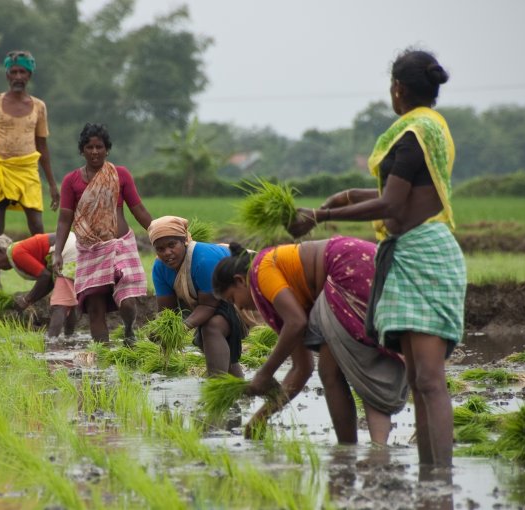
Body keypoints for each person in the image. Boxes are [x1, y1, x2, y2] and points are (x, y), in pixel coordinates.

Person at [286, 49, 465, 467]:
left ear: (397, 88)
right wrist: (347, 197)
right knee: (420, 381)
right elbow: (404, 194)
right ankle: (430, 477)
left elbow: (391, 204)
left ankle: (439, 483)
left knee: (430, 380)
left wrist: (321, 215)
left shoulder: (413, 135)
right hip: (410, 255)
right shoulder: (431, 128)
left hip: (423, 258)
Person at [212, 239, 408, 443]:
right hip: (360, 262)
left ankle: (360, 448)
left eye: (233, 299)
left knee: (348, 368)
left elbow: (296, 322)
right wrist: (261, 417)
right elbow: (302, 368)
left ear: (239, 281)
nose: (240, 308)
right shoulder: (287, 292)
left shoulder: (261, 270)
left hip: (349, 266)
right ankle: (360, 451)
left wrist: (265, 373)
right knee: (330, 371)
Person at [0, 50, 60, 290]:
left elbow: (42, 146)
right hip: (0, 168)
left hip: (27, 169)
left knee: (36, 225)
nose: (18, 76)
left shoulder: (38, 106)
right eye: (13, 71)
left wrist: (53, 184)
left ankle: (46, 275)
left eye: (22, 72)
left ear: (29, 75)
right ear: (7, 75)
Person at [52, 123, 152, 343]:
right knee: (95, 306)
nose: (95, 151)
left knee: (126, 300)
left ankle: (129, 329)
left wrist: (160, 233)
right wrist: (57, 252)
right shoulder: (71, 181)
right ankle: (103, 358)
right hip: (90, 250)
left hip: (120, 245)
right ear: (82, 150)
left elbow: (139, 210)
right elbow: (64, 219)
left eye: (99, 147)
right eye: (89, 147)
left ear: (107, 149)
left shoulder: (120, 175)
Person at [148, 215, 247, 377]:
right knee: (211, 340)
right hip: (217, 301)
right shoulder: (160, 268)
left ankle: (217, 383)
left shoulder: (203, 259)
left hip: (246, 290)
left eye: (172, 245)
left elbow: (209, 305)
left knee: (212, 327)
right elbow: (167, 311)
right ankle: (232, 388)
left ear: (184, 241)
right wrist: (160, 329)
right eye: (160, 249)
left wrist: (183, 327)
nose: (167, 253)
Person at [0, 232, 78, 339]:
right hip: (69, 244)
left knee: (60, 304)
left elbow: (44, 276)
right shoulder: (18, 249)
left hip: (66, 249)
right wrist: (30, 300)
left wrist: (26, 300)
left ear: (0, 251)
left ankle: (53, 345)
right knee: (68, 302)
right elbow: (49, 280)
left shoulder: (16, 253)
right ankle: (70, 338)